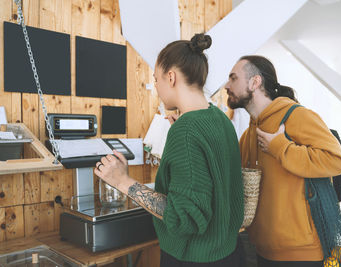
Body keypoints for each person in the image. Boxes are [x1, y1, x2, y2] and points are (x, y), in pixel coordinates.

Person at [95, 33, 245, 267]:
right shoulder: (220, 118)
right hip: (230, 252)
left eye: (156, 79)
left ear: (171, 77)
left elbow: (184, 217)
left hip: (196, 259)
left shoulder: (186, 130)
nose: (155, 86)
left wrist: (122, 181)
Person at [224, 55, 341, 267]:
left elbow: (336, 161)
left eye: (233, 78)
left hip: (301, 255)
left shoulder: (296, 116)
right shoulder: (249, 134)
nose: (227, 85)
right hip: (262, 250)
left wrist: (279, 147)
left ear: (255, 82)